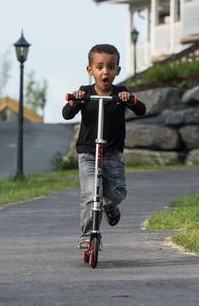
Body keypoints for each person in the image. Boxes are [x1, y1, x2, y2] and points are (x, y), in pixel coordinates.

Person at [62, 43, 146, 249]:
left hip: (113, 154)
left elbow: (141, 109)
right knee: (91, 195)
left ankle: (109, 207)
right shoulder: (85, 93)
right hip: (88, 153)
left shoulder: (121, 93)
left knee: (118, 193)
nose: (105, 72)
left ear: (117, 70)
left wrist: (130, 99)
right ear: (90, 70)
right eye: (99, 67)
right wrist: (75, 101)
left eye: (110, 67)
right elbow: (66, 113)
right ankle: (88, 235)